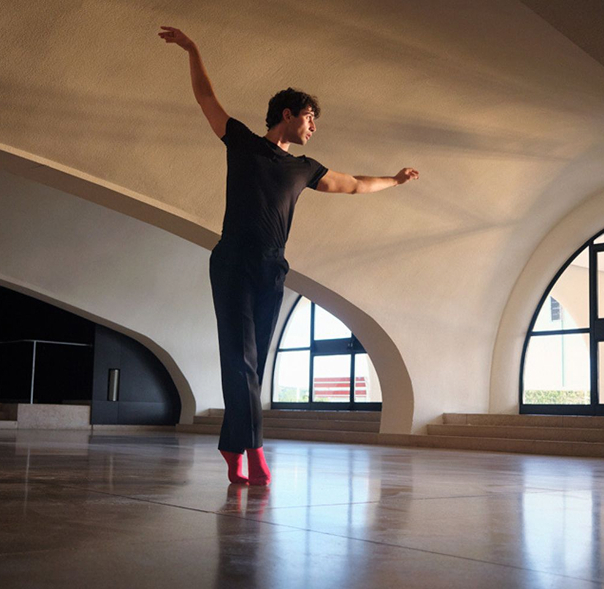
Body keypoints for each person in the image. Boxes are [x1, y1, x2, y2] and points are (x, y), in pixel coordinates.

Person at [159, 25, 419, 486]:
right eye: (310, 118)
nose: (314, 127)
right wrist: (192, 50)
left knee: (251, 362)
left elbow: (355, 183)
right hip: (233, 261)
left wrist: (394, 181)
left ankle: (230, 445)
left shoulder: (305, 168)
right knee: (240, 357)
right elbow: (206, 99)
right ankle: (255, 451)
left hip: (273, 267)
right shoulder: (242, 143)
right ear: (287, 114)